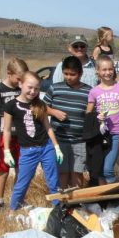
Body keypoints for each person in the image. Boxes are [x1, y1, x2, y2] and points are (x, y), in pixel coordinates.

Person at [2, 72, 62, 212]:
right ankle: (14, 209)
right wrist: (6, 151)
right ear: (20, 84)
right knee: (22, 182)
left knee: (53, 181)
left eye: (36, 88)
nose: (33, 91)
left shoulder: (40, 104)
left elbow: (48, 127)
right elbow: (7, 130)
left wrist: (56, 147)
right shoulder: (11, 105)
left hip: (46, 147)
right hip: (28, 150)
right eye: (30, 87)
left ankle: (59, 209)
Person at [0, 57, 28, 209]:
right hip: (4, 137)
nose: (20, 82)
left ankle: (17, 200)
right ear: (9, 74)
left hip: (21, 136)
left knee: (21, 169)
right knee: (3, 170)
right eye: (18, 79)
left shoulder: (23, 88)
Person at [45, 56, 92, 189]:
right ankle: (63, 201)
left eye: (73, 74)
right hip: (59, 140)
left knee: (77, 171)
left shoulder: (88, 91)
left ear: (81, 73)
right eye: (66, 74)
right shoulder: (55, 89)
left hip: (80, 140)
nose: (69, 77)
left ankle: (76, 200)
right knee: (62, 171)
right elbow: (41, 108)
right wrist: (54, 112)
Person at [86, 56, 119, 183]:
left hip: (116, 134)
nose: (107, 73)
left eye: (110, 69)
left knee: (108, 169)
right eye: (104, 70)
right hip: (100, 135)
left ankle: (113, 198)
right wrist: (96, 116)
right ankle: (104, 198)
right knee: (100, 169)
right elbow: (88, 113)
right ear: (98, 71)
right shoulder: (94, 91)